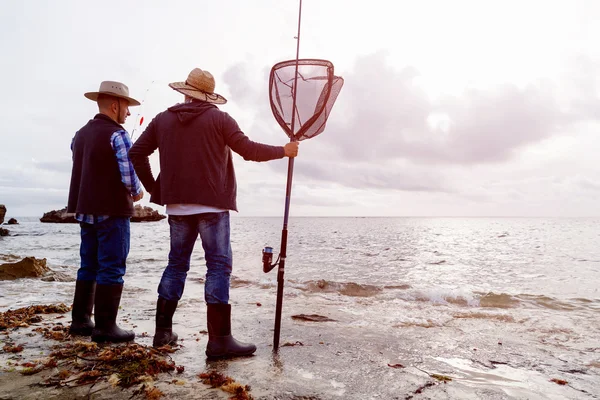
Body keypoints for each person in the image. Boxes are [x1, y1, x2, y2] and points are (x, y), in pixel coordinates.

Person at [129, 68, 299, 358]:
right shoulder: (220, 119)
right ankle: (219, 340)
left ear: (185, 92)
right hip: (213, 206)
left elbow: (136, 153)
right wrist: (284, 151)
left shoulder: (163, 119)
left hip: (178, 208)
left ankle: (162, 334)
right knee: (218, 266)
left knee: (176, 265)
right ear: (209, 96)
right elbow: (248, 150)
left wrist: (157, 188)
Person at [67, 81, 144, 343]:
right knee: (112, 266)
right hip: (112, 210)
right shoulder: (119, 134)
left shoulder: (79, 134)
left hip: (85, 208)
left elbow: (83, 160)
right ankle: (106, 327)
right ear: (115, 105)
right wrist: (137, 191)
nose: (129, 114)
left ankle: (80, 321)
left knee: (88, 264)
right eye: (127, 107)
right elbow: (128, 173)